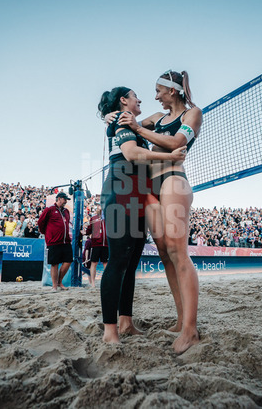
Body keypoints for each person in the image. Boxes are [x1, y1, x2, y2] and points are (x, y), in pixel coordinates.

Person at [112, 70, 202, 353]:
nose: (155, 97)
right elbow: (128, 121)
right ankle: (181, 320)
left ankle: (190, 330)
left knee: (178, 251)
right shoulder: (156, 118)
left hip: (173, 179)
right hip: (151, 185)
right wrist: (112, 117)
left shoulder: (192, 113)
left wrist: (138, 129)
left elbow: (176, 143)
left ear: (172, 91)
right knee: (164, 252)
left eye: (159, 91)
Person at [98, 86, 186, 345]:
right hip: (121, 190)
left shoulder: (131, 123)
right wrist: (170, 156)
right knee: (118, 261)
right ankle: (110, 331)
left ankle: (126, 322)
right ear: (123, 100)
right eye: (135, 96)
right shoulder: (119, 120)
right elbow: (132, 153)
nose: (140, 99)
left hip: (137, 193)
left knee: (131, 261)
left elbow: (151, 124)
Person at [38, 192, 73, 291]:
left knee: (68, 261)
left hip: (66, 241)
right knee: (54, 263)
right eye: (65, 199)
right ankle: (54, 286)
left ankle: (59, 282)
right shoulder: (50, 209)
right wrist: (47, 233)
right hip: (53, 241)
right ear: (59, 198)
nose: (66, 202)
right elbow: (40, 222)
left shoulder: (66, 211)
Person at [85, 206, 108, 288]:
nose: (100, 209)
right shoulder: (94, 218)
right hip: (96, 244)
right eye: (98, 208)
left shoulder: (109, 218)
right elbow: (88, 230)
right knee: (94, 263)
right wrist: (84, 232)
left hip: (106, 244)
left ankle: (107, 282)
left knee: (105, 263)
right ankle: (93, 284)